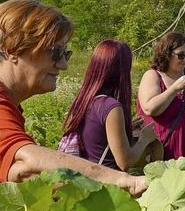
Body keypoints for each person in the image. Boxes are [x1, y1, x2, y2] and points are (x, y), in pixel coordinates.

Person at [0, 0, 147, 211]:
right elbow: (23, 164)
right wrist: (122, 180)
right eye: (55, 53)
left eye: (65, 52)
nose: (64, 64)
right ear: (13, 50)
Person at [61, 39, 162, 171]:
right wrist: (145, 138)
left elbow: (96, 137)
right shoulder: (111, 107)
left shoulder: (87, 99)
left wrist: (125, 128)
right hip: (106, 182)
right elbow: (125, 161)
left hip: (88, 178)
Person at [137, 32, 185, 169]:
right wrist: (175, 88)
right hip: (163, 150)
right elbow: (150, 109)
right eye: (181, 55)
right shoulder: (152, 75)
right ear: (166, 54)